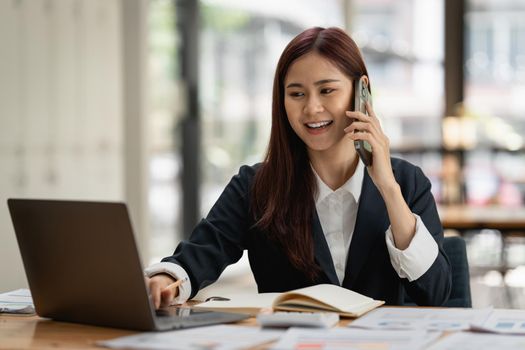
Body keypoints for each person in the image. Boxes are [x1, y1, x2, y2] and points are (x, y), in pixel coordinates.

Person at [146, 26, 452, 309]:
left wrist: (387, 187)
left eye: (327, 90)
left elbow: (435, 293)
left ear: (362, 91)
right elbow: (196, 257)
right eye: (296, 94)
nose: (311, 108)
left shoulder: (407, 182)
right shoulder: (255, 186)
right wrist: (165, 281)